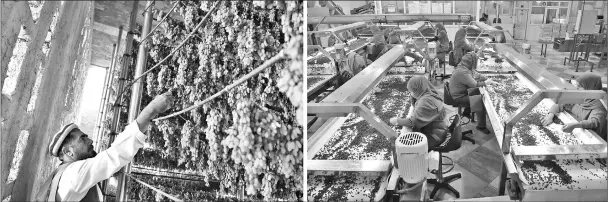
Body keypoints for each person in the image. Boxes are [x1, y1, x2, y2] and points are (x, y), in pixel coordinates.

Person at [37, 92, 175, 201]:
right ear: (68, 151)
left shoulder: (63, 176)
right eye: (83, 139)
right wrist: (151, 109)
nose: (90, 141)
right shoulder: (73, 174)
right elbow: (113, 156)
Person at [542, 73, 607, 140]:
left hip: (594, 138)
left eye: (580, 87)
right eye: (576, 86)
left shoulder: (600, 105)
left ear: (590, 88)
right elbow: (560, 104)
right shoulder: (580, 97)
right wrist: (550, 115)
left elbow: (593, 122)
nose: (577, 89)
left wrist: (575, 125)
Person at [389, 77, 448, 148]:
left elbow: (412, 122)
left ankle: (421, 157)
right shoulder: (429, 94)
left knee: (406, 147)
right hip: (439, 130)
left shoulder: (426, 101)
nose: (411, 93)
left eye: (412, 91)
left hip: (435, 136)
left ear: (418, 89)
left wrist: (397, 120)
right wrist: (413, 97)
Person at [448, 52, 498, 134]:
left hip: (462, 91)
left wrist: (488, 79)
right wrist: (487, 82)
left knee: (477, 93)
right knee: (480, 101)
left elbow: (476, 75)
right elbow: (475, 85)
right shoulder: (462, 71)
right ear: (472, 62)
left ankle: (467, 112)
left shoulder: (465, 66)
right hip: (458, 96)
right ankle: (481, 126)